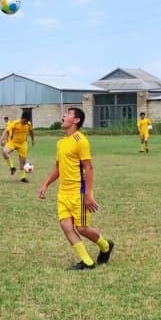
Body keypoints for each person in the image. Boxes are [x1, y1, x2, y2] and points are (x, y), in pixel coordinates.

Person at [37, 107, 114, 270]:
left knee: (82, 228)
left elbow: (89, 168)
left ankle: (106, 246)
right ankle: (87, 262)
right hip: (63, 193)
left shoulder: (81, 140)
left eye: (68, 114)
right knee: (66, 226)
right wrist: (45, 184)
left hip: (78, 192)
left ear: (76, 120)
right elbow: (58, 168)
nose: (64, 115)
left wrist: (88, 194)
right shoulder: (61, 143)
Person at [2, 112, 35, 181]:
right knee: (4, 152)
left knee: (22, 162)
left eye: (27, 121)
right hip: (12, 142)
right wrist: (3, 138)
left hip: (23, 144)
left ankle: (23, 177)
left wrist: (32, 140)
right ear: (22, 118)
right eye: (25, 121)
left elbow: (31, 132)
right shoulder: (15, 123)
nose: (26, 122)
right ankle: (12, 167)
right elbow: (6, 130)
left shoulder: (28, 124)